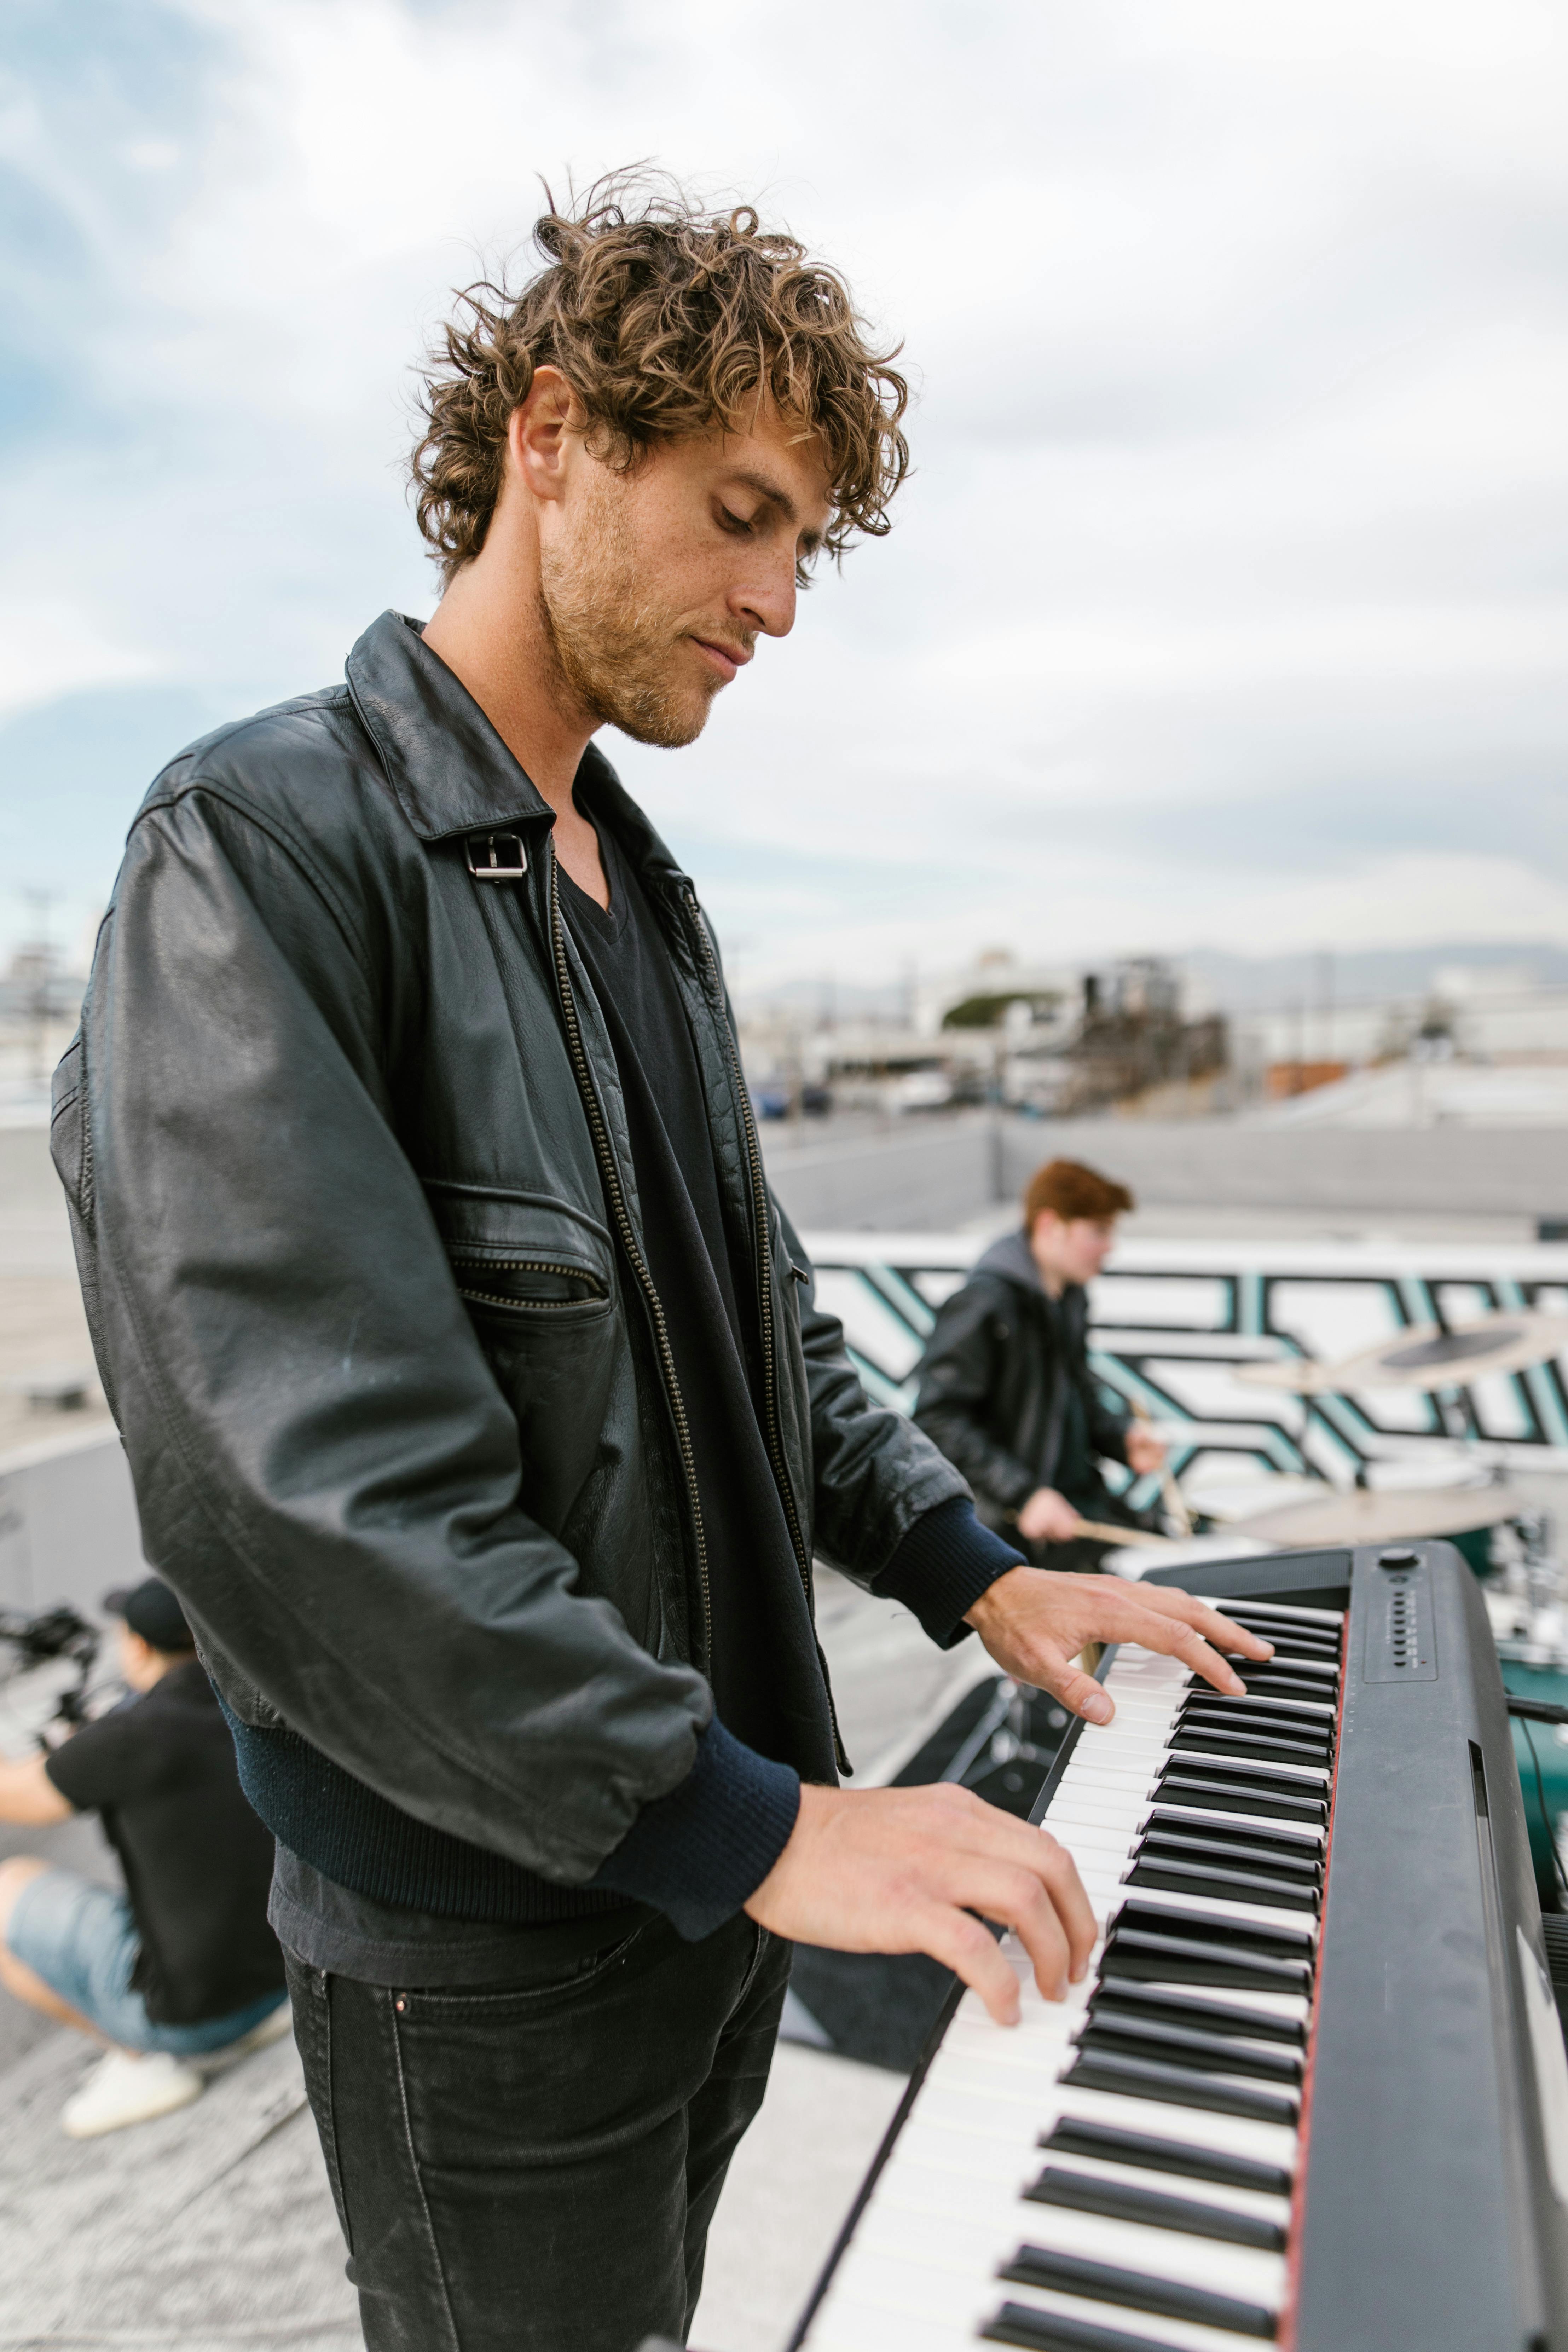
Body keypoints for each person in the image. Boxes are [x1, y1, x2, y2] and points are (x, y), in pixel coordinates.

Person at [51, 178, 1268, 2346]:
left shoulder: (646, 897)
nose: (780, 599)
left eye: (803, 541)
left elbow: (759, 1334)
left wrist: (974, 1561)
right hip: (489, 1958)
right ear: (549, 436)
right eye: (738, 512)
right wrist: (762, 1824)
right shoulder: (256, 853)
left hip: (699, 1898)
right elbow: (312, 1499)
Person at [0, 1577, 289, 2138]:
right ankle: (255, 2015)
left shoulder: (124, 1739)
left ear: (137, 1646)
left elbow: (19, 1798)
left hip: (199, 2017)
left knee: (7, 1890)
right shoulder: (248, 1688)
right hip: (291, 1971)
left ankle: (142, 2065)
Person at [915, 1158, 1169, 1571]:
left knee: (1173, 1563)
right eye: (1098, 1232)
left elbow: (1075, 1396)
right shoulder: (984, 1303)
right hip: (1018, 1527)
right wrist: (1024, 1495)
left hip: (1076, 1501)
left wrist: (1120, 1437)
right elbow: (937, 1418)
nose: (1110, 1246)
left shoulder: (1069, 1297)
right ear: (1051, 1225)